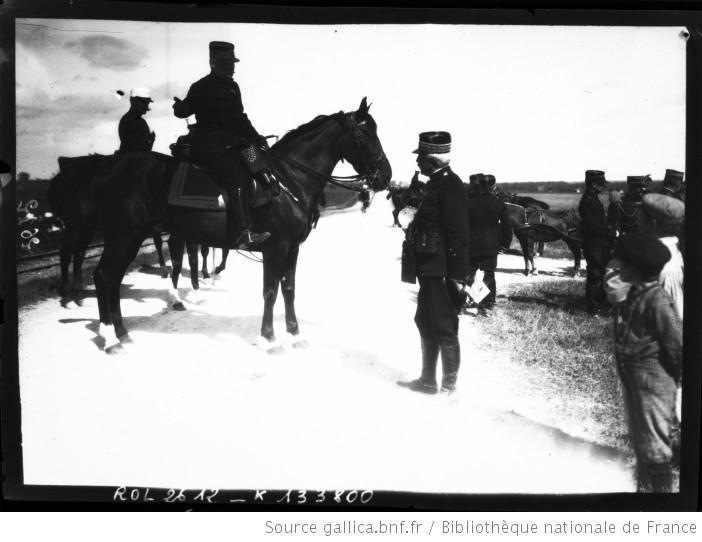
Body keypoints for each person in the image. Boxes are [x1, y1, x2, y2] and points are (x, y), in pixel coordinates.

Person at [172, 41, 270, 249]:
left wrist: (258, 139)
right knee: (237, 175)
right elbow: (185, 110)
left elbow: (241, 119)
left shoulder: (234, 87)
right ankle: (244, 232)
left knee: (261, 162)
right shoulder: (200, 87)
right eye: (225, 63)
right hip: (211, 148)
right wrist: (179, 108)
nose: (231, 67)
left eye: (232, 63)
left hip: (236, 145)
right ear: (212, 63)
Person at [397, 131, 470, 395]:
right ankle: (428, 380)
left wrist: (457, 276)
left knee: (444, 325)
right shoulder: (437, 184)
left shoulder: (451, 185)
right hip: (430, 268)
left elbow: (458, 234)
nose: (418, 163)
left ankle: (449, 387)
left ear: (433, 160)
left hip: (441, 270)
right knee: (425, 321)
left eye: (422, 158)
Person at [612, 232, 682, 492]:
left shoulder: (658, 301)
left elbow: (676, 345)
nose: (620, 269)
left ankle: (660, 507)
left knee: (655, 449)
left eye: (624, 265)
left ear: (636, 270)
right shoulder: (636, 295)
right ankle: (644, 496)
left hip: (654, 384)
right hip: (638, 383)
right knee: (643, 444)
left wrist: (670, 379)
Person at [466, 173, 508, 316]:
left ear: (481, 186)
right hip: (491, 246)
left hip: (472, 244)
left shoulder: (470, 203)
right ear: (493, 186)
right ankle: (488, 304)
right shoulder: (499, 204)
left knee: (470, 273)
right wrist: (504, 245)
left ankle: (471, 301)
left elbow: (464, 225)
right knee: (489, 274)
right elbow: (507, 227)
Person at [640, 193, 685, 321]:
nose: (638, 220)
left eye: (641, 217)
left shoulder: (664, 264)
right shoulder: (671, 251)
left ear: (653, 223)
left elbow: (676, 313)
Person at [578, 169, 612, 314]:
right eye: (601, 184)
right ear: (593, 185)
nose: (603, 187)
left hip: (597, 243)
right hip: (595, 244)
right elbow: (595, 226)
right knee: (596, 276)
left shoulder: (592, 198)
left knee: (597, 274)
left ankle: (596, 304)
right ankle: (593, 308)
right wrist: (612, 232)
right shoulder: (589, 201)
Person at [118, 87, 156, 153]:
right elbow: (135, 148)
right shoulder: (131, 120)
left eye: (147, 104)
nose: (146, 107)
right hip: (132, 160)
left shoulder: (133, 119)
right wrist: (150, 141)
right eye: (144, 103)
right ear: (134, 102)